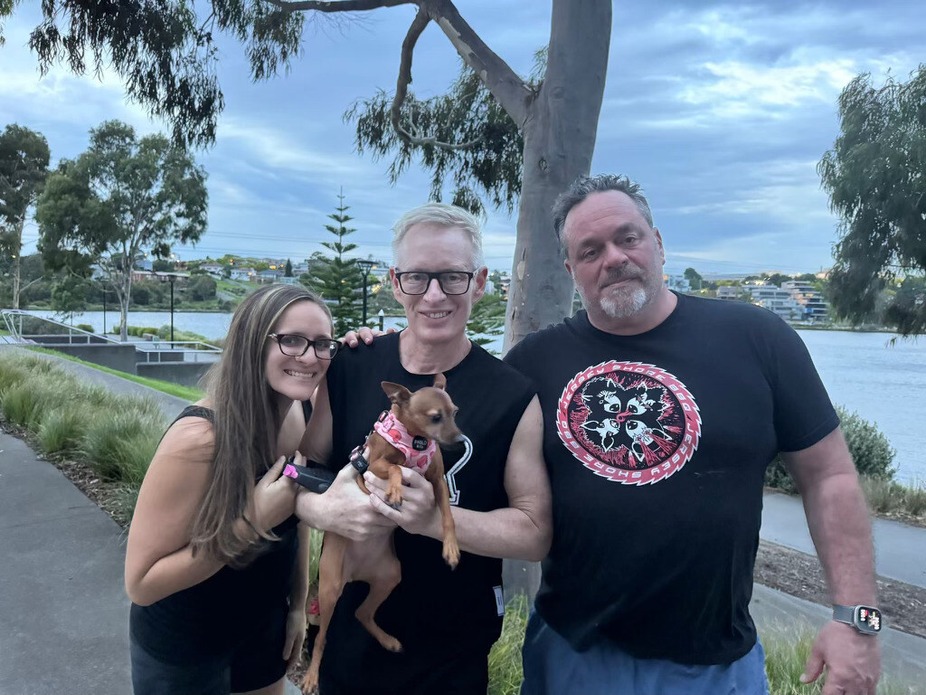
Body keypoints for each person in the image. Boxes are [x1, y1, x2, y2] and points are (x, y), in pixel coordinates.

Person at [504, 174, 881, 695]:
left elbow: (830, 477)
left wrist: (856, 620)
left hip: (714, 666)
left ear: (658, 243)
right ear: (571, 270)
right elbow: (465, 455)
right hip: (571, 657)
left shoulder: (757, 339)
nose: (613, 258)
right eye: (590, 251)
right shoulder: (533, 364)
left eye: (628, 238)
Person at [295, 202, 552, 694]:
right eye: (417, 277)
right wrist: (321, 509)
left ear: (479, 283)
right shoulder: (350, 366)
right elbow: (298, 473)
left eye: (453, 277)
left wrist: (431, 519)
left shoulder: (513, 395)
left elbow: (534, 533)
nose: (434, 295)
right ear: (396, 283)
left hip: (452, 659)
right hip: (347, 654)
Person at [125, 284, 339, 695]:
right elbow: (142, 584)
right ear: (252, 344)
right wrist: (252, 522)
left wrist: (297, 606)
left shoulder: (300, 415)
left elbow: (293, 519)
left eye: (322, 343)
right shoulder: (199, 440)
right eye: (292, 340)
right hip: (185, 649)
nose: (310, 357)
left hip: (262, 631)